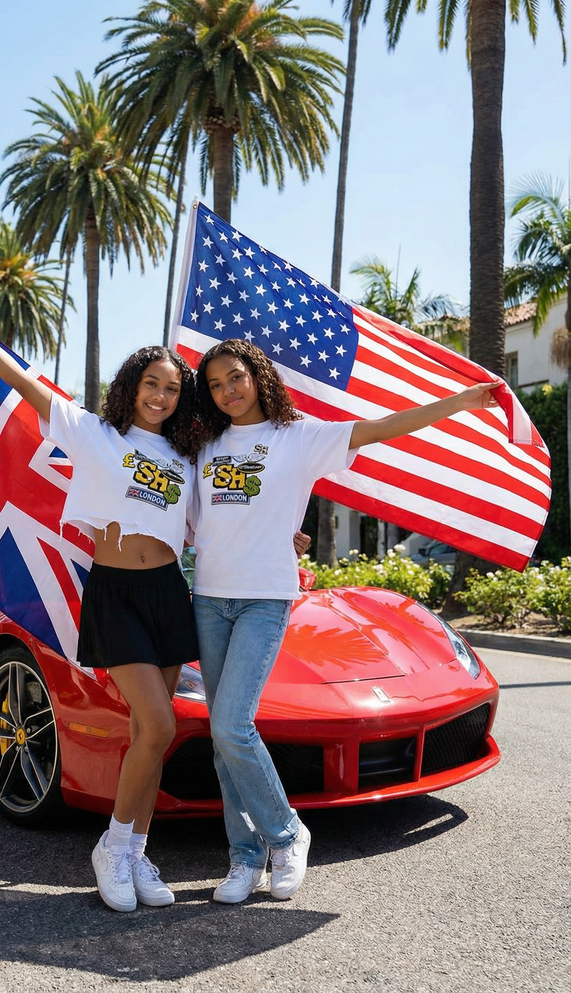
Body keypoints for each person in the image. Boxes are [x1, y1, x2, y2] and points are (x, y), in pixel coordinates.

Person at [0, 290, 200, 913]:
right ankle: (112, 847)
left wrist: (282, 534)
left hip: (168, 593)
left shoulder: (184, 458)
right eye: (152, 383)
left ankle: (136, 851)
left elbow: (212, 525)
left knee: (146, 737)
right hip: (116, 593)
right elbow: (17, 379)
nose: (161, 396)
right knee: (159, 723)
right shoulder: (93, 431)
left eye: (173, 389)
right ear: (132, 386)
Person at [191, 337, 499, 905]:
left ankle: (287, 833)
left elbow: (379, 428)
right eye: (214, 384)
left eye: (234, 377)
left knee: (233, 724)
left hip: (265, 598)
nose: (226, 391)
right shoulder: (204, 444)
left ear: (257, 375)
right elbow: (195, 522)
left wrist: (457, 403)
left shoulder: (299, 437)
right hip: (208, 597)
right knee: (221, 736)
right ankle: (243, 856)